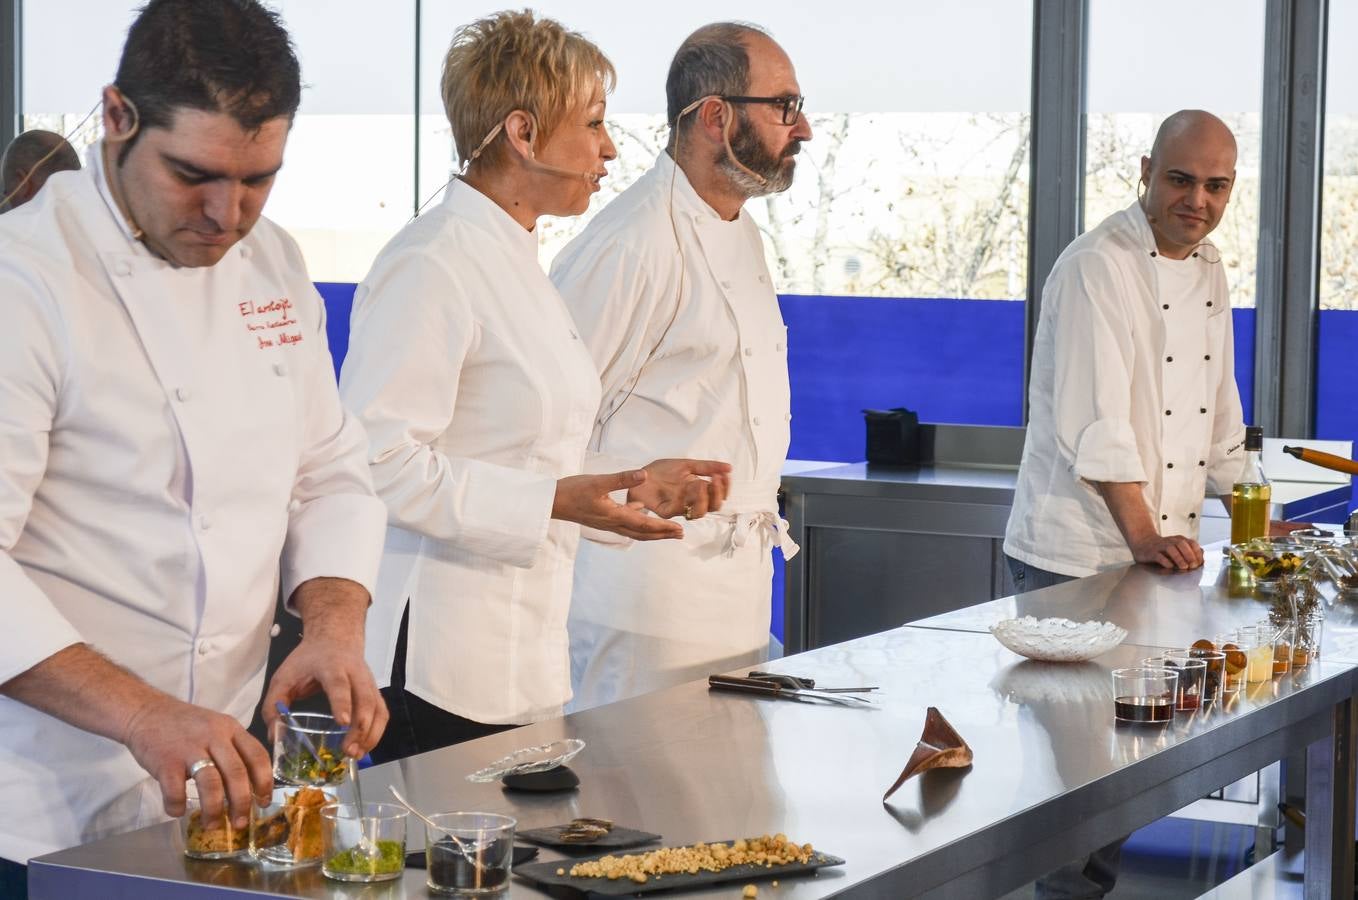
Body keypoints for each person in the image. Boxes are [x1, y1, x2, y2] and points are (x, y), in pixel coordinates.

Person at [0, 1, 388, 892]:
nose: (228, 213)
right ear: (116, 116)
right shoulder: (25, 282)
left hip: (216, 793)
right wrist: (142, 715)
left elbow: (329, 471)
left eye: (259, 180)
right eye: (195, 174)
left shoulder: (274, 266)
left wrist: (334, 628)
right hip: (34, 801)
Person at [339, 10, 730, 762]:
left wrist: (631, 489)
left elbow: (526, 456)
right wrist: (552, 500)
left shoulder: (519, 261)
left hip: (521, 657)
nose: (610, 148)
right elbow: (376, 463)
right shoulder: (433, 263)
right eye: (592, 124)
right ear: (522, 133)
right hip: (437, 667)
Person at [1003, 110, 1246, 898]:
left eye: (1216, 186)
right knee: (1070, 784)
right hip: (1075, 553)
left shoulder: (1209, 269)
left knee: (1120, 773)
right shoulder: (1096, 267)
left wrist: (1253, 508)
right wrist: (1147, 536)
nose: (1197, 201)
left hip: (1150, 559)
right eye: (1181, 180)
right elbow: (1094, 422)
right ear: (1146, 170)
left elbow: (1215, 415)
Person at [550, 22, 812, 711]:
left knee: (732, 810)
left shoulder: (741, 227)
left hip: (735, 591)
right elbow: (543, 427)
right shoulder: (630, 243)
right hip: (645, 599)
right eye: (784, 106)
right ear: (716, 118)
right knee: (637, 807)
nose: (803, 127)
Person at [0, 129, 81, 211]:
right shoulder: (91, 216)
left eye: (7, 191)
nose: (8, 201)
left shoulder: (8, 223)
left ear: (22, 183)